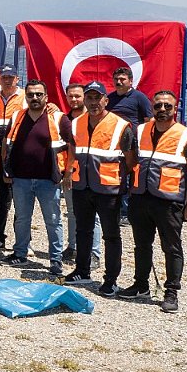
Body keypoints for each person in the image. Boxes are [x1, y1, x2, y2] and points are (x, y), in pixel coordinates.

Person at [119, 90, 187, 314]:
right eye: (158, 106)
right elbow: (131, 161)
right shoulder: (139, 131)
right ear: (152, 108)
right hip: (141, 198)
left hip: (169, 202)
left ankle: (171, 292)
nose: (162, 109)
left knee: (172, 248)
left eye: (167, 106)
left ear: (175, 109)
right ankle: (141, 285)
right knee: (141, 245)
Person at [0, 80, 76, 276]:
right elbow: (6, 142)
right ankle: (20, 253)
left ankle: (55, 260)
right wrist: (6, 170)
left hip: (48, 181)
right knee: (22, 218)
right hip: (21, 179)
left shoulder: (58, 118)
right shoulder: (17, 116)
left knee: (53, 220)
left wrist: (68, 172)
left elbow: (72, 145)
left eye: (39, 94)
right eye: (31, 94)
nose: (35, 98)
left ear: (46, 97)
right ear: (25, 97)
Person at [64, 81, 135, 292]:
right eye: (90, 98)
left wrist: (120, 179)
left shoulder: (121, 126)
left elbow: (131, 160)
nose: (94, 102)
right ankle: (82, 271)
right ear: (85, 100)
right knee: (83, 231)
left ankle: (110, 280)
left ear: (106, 100)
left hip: (109, 190)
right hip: (82, 187)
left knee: (111, 235)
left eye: (98, 98)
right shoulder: (76, 123)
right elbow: (72, 151)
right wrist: (68, 173)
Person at [61, 83, 102, 265]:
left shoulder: (95, 118)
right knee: (72, 212)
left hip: (93, 175)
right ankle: (73, 246)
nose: (74, 99)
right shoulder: (65, 119)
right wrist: (67, 172)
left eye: (77, 96)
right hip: (71, 174)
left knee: (94, 216)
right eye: (70, 96)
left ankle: (94, 253)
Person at [0, 65, 23, 250]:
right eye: (4, 77)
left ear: (17, 79)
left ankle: (23, 241)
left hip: (19, 152)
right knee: (0, 197)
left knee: (22, 199)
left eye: (11, 77)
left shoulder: (25, 97)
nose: (7, 80)